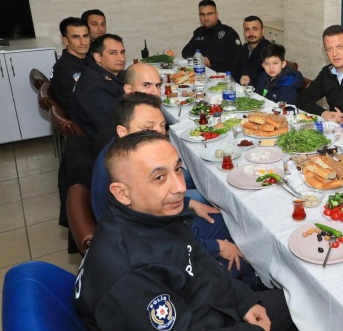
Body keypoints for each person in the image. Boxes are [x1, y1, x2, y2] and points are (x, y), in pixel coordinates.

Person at [75, 130, 297, 331]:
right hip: (202, 320)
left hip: (208, 306)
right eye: (159, 177)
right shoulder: (131, 272)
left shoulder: (152, 214)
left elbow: (198, 258)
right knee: (306, 314)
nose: (180, 187)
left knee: (299, 305)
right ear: (122, 193)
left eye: (178, 169)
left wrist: (243, 300)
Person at [90, 93, 254, 284]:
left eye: (162, 126)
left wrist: (189, 202)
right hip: (167, 256)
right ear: (122, 131)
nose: (159, 134)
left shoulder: (118, 153)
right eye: (148, 128)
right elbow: (158, 243)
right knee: (246, 251)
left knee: (231, 220)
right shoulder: (122, 178)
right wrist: (215, 248)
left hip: (165, 232)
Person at [69, 33, 126, 142]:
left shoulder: (108, 73)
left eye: (122, 52)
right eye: (113, 53)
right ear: (98, 57)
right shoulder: (92, 86)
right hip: (106, 142)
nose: (121, 58)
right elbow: (112, 122)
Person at [181, 0, 242, 74]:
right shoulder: (199, 32)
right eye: (202, 14)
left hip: (224, 77)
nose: (206, 18)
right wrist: (198, 57)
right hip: (203, 76)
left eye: (209, 14)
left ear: (217, 15)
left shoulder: (228, 32)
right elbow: (185, 52)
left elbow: (239, 59)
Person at [50, 17, 89, 111]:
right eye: (76, 37)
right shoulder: (64, 69)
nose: (83, 42)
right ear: (65, 41)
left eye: (85, 36)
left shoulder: (88, 59)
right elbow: (78, 106)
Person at [239, 15, 272, 87]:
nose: (251, 33)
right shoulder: (244, 48)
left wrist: (249, 82)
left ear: (263, 31)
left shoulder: (269, 51)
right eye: (247, 29)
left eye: (255, 29)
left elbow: (268, 80)